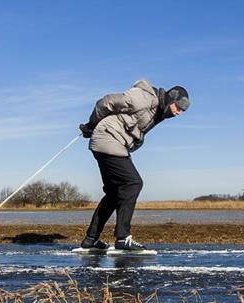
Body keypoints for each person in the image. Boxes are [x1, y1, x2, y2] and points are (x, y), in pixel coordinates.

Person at [78, 80, 190, 251]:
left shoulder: (158, 112)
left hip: (113, 144)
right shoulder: (144, 98)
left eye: (182, 110)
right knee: (133, 183)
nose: (178, 113)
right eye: (178, 107)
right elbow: (107, 101)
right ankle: (123, 237)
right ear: (170, 98)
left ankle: (91, 239)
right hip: (107, 139)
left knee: (114, 193)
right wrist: (92, 124)